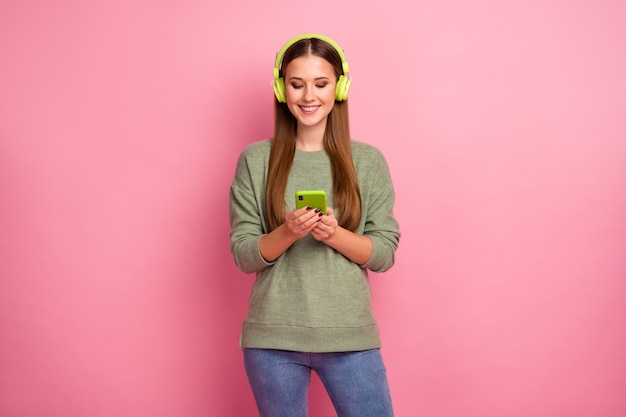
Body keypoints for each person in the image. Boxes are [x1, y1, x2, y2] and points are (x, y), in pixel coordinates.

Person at [229, 33, 401, 417]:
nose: (308, 96)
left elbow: (384, 254)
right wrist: (288, 231)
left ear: (339, 88)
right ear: (280, 88)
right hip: (272, 340)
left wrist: (335, 235)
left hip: (349, 336)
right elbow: (244, 254)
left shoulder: (368, 161)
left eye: (321, 84)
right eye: (296, 84)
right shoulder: (255, 160)